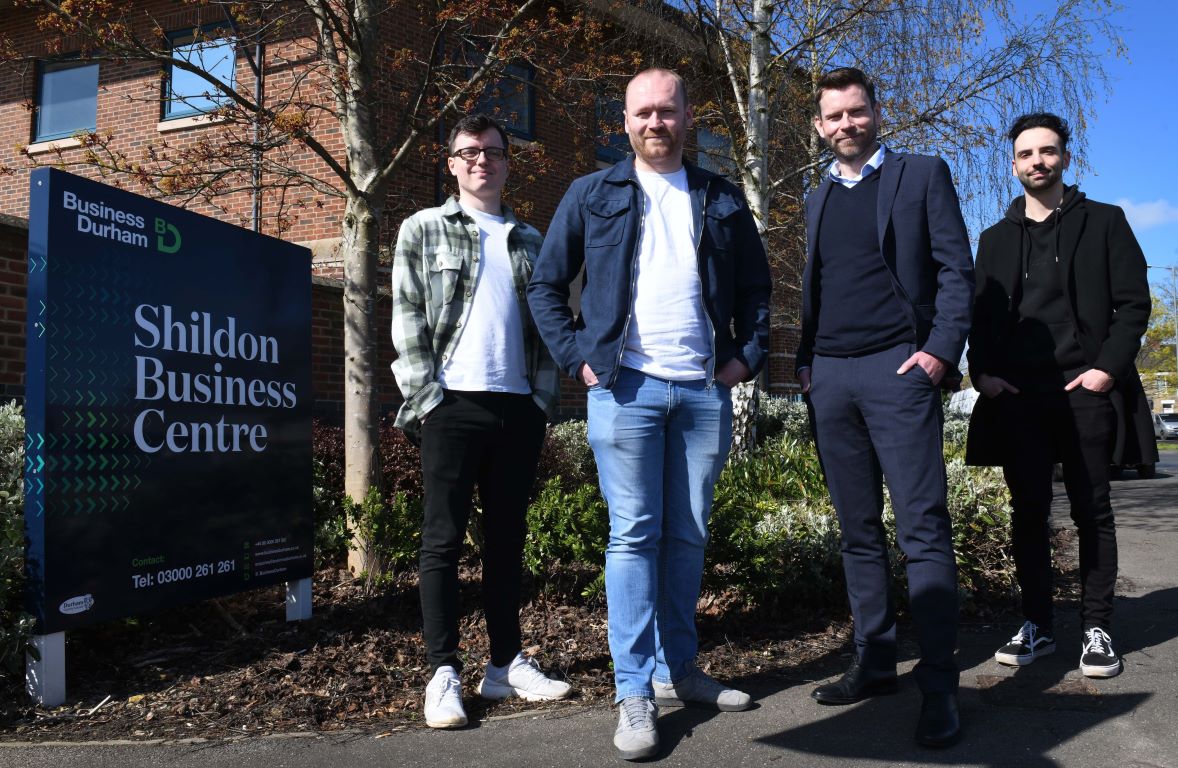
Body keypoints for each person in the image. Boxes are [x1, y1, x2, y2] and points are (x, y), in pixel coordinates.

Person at [527, 68, 771, 761]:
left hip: (700, 390)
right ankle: (633, 689)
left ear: (688, 117)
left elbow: (757, 290)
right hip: (624, 387)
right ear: (625, 121)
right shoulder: (590, 193)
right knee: (634, 534)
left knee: (688, 533)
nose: (655, 122)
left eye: (668, 110)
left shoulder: (721, 196)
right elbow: (546, 284)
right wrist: (580, 357)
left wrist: (742, 362)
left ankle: (678, 671)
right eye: (642, 112)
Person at [797, 67, 973, 748]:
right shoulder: (816, 198)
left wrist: (937, 352)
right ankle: (873, 663)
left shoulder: (921, 174)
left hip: (898, 368)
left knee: (922, 530)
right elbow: (816, 289)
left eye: (856, 112)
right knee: (857, 531)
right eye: (833, 116)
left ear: (877, 113)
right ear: (820, 126)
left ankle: (939, 687)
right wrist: (807, 363)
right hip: (832, 377)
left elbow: (956, 269)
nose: (846, 124)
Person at [390, 113, 571, 729]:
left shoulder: (532, 240)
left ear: (506, 161)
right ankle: (443, 672)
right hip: (453, 404)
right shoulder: (423, 229)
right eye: (468, 152)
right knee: (440, 542)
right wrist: (427, 396)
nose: (481, 162)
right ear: (451, 163)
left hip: (516, 407)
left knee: (507, 540)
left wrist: (541, 400)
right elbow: (408, 314)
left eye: (492, 152)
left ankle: (504, 664)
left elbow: (549, 328)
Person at [965, 112, 1154, 679]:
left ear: (1066, 158)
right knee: (1027, 515)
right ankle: (1037, 624)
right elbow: (980, 315)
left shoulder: (1105, 222)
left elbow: (1134, 305)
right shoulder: (995, 239)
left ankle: (1097, 629)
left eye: (1048, 152)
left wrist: (1106, 371)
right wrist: (983, 373)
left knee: (1093, 512)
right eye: (1026, 154)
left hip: (1084, 391)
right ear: (1014, 164)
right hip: (1019, 396)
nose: (1037, 162)